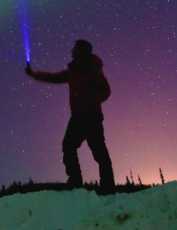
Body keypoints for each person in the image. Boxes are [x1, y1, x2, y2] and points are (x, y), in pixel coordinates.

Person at [26, 39, 115, 193]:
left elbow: (105, 90)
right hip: (77, 117)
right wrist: (35, 74)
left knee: (98, 151)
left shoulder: (93, 69)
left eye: (75, 48)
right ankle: (75, 182)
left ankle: (108, 187)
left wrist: (90, 102)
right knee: (68, 146)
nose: (72, 50)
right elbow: (56, 77)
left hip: (92, 116)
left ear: (82, 51)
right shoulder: (73, 70)